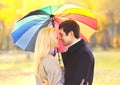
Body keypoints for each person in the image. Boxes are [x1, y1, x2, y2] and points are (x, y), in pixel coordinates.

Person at [59, 20, 95, 85]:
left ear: (71, 34)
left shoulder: (84, 54)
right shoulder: (75, 52)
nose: (60, 38)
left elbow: (77, 82)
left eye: (61, 35)